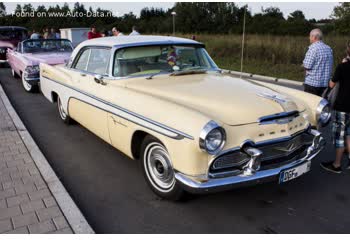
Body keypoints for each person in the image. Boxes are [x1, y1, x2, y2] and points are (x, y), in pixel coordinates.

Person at [320, 42, 350, 173]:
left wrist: (343, 64)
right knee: (349, 134)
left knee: (340, 136)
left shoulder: (343, 67)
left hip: (342, 106)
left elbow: (331, 84)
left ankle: (336, 165)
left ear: (348, 50)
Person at [302, 29, 333, 96]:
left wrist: (303, 65)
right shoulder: (329, 48)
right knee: (320, 105)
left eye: (310, 36)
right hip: (325, 84)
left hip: (312, 84)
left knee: (310, 104)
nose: (309, 38)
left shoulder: (313, 49)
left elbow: (307, 66)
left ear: (314, 37)